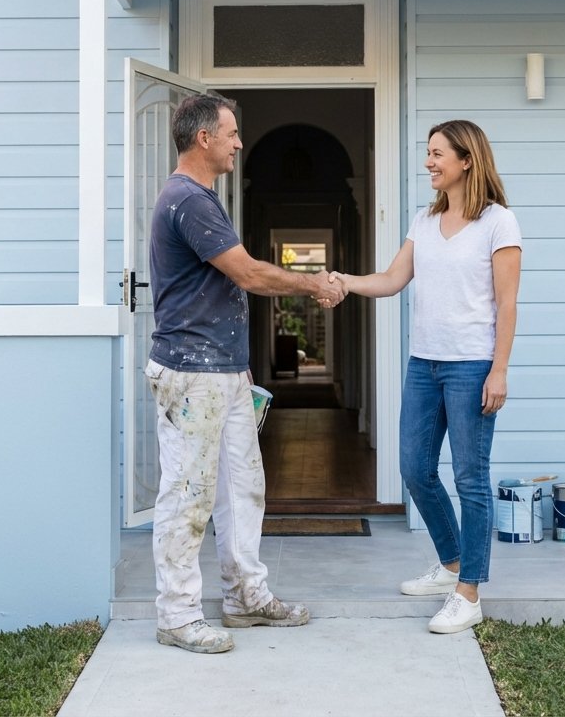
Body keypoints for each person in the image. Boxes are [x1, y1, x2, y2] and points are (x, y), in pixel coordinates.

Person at [146, 92, 345, 654]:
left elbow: (223, 288)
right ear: (203, 137)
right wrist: (314, 283)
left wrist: (241, 367)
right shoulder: (188, 200)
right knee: (188, 493)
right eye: (232, 133)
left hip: (223, 371)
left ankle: (245, 596)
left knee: (241, 489)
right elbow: (250, 274)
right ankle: (178, 615)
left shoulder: (203, 198)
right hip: (192, 372)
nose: (239, 143)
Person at [330, 119, 520, 634]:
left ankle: (469, 592)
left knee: (470, 479)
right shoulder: (423, 220)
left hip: (472, 366)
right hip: (424, 365)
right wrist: (344, 280)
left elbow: (507, 304)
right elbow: (393, 280)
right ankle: (452, 563)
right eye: (428, 153)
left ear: (466, 160)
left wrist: (499, 369)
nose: (429, 162)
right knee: (414, 468)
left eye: (438, 154)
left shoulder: (498, 223)